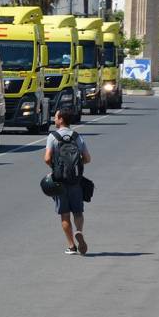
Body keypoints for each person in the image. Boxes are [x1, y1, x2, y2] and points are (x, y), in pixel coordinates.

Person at [44, 107, 92, 255]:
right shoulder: (77, 136)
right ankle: (79, 231)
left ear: (61, 120)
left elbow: (47, 158)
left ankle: (71, 246)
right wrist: (75, 166)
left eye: (56, 116)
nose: (54, 118)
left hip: (60, 182)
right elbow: (87, 158)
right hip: (75, 181)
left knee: (64, 214)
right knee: (77, 212)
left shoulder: (53, 137)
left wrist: (56, 167)